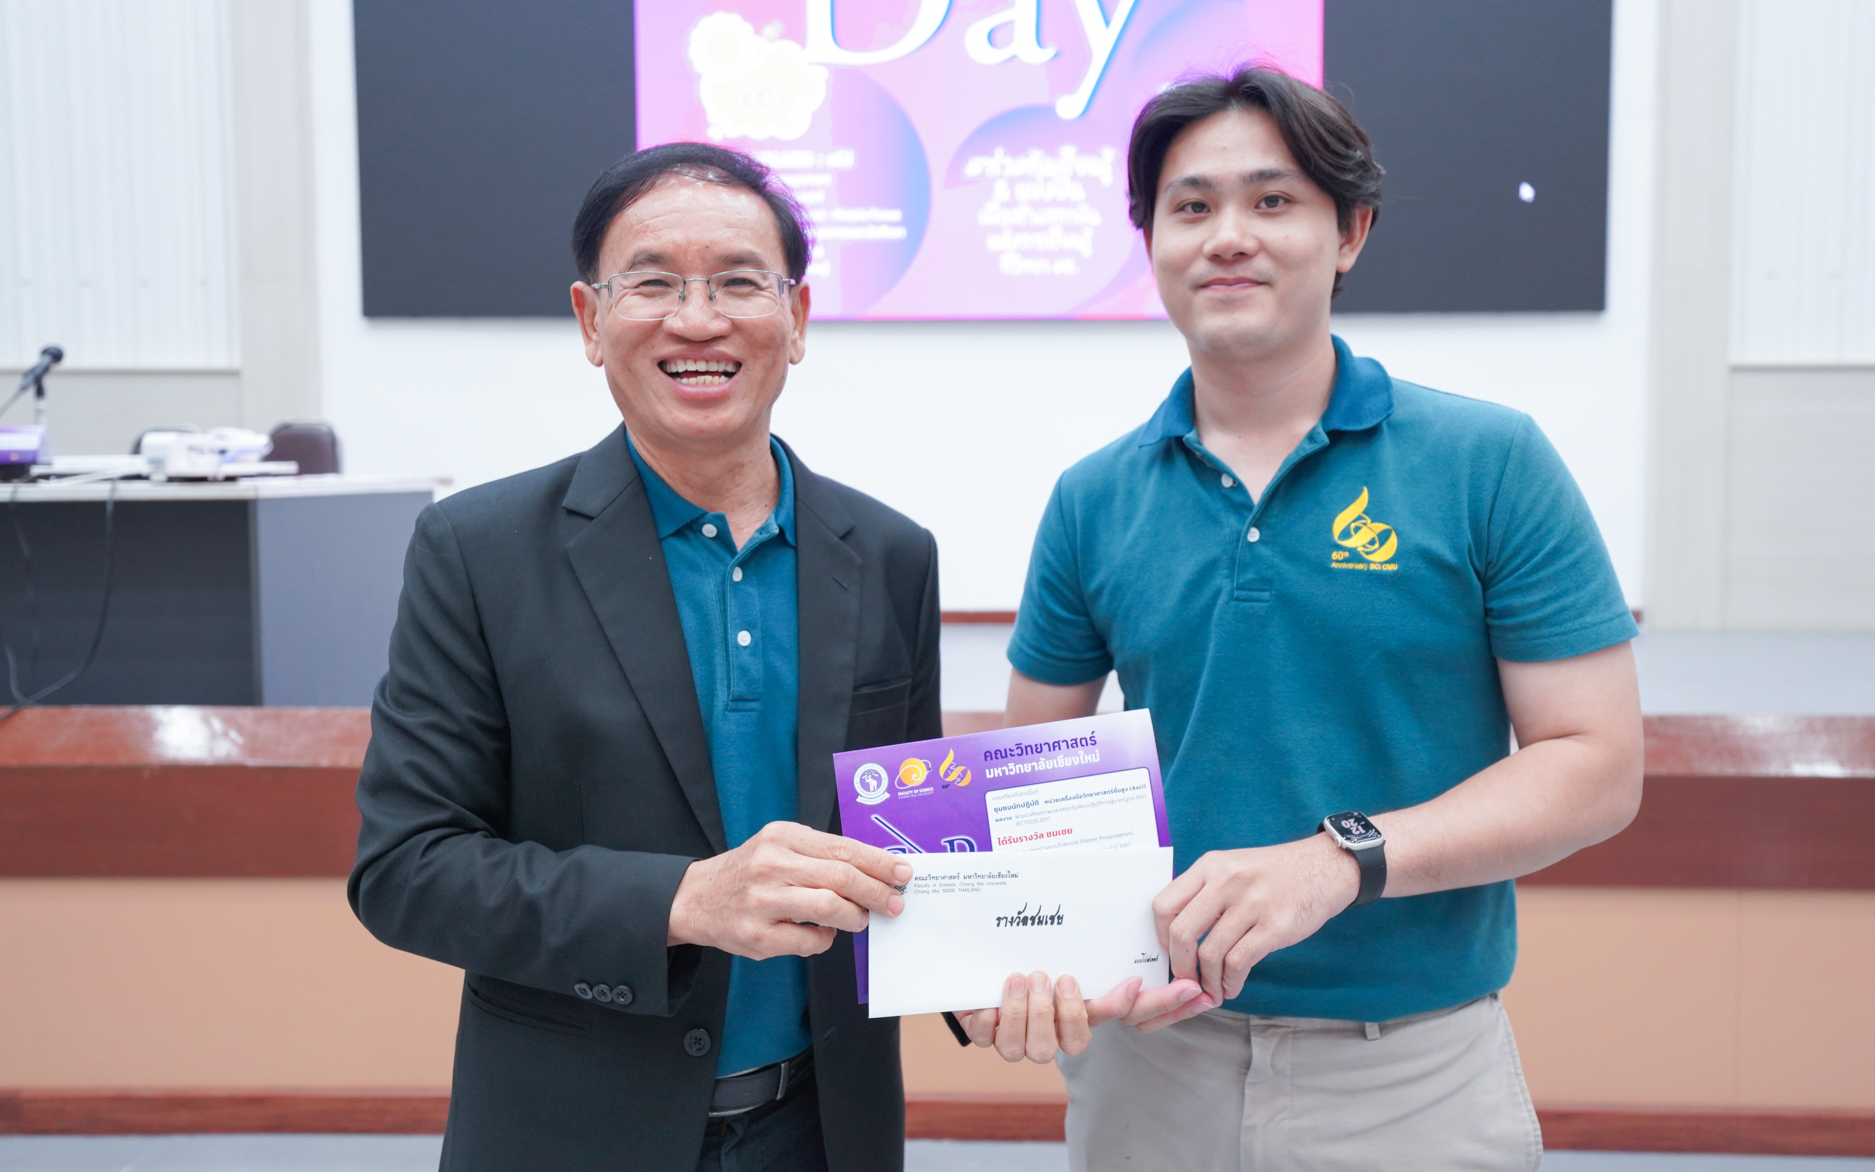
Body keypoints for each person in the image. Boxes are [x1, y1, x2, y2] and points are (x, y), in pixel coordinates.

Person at [956, 66, 1644, 1171]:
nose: (1227, 236)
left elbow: (1596, 766)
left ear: (1349, 233)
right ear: (1152, 243)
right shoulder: (1092, 499)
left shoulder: (1490, 462)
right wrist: (1002, 960)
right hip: (1152, 1062)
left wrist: (1338, 860)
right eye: (1191, 206)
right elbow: (1031, 779)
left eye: (1271, 200)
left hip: (1410, 1069)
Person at [350, 143, 939, 1172]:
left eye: (739, 282)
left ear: (797, 318)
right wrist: (682, 901)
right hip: (572, 1134)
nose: (698, 319)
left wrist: (1018, 965)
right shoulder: (479, 552)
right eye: (654, 282)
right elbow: (407, 869)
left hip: (821, 1132)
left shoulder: (891, 555)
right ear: (591, 321)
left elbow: (915, 846)